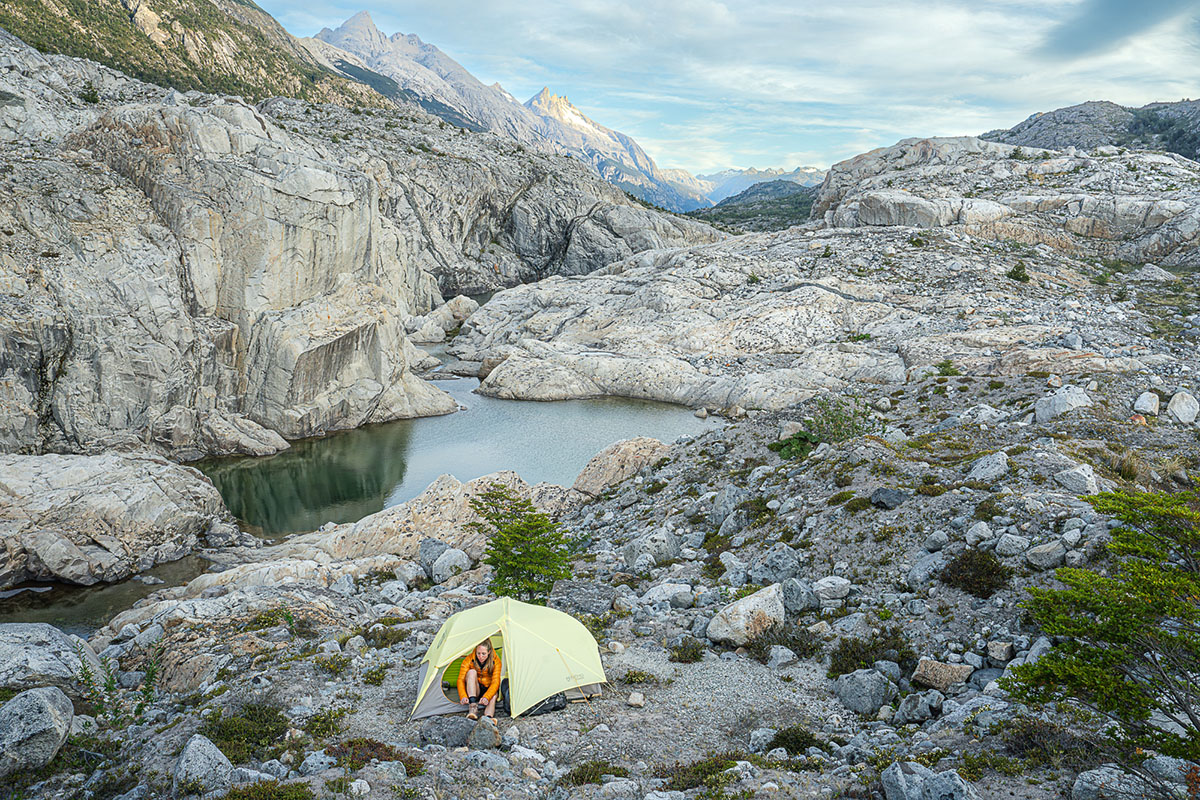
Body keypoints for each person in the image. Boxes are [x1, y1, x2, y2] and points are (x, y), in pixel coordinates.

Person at [457, 640, 501, 720]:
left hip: (489, 689)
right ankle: (473, 707)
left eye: (483, 654)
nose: (480, 656)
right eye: (478, 653)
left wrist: (487, 697)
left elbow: (496, 682)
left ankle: (488, 718)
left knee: (493, 696)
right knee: (471, 672)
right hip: (475, 690)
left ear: (489, 652)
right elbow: (461, 679)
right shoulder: (469, 659)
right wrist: (463, 696)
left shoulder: (496, 661)